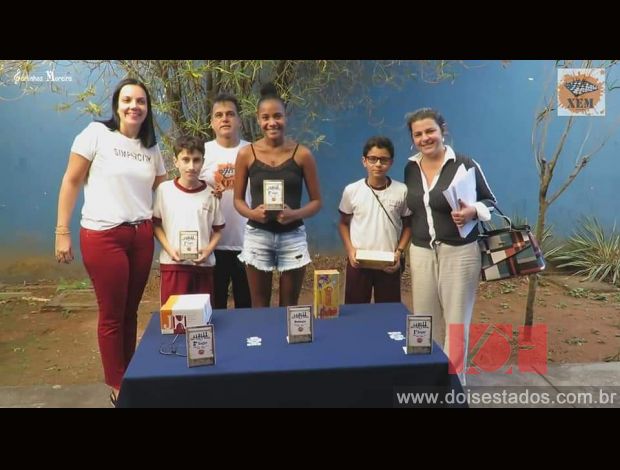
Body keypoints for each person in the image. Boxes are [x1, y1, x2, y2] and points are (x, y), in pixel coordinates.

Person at [54, 78, 167, 406]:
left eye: (141, 101)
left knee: (131, 312)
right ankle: (117, 385)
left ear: (147, 108)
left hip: (141, 236)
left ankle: (129, 374)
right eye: (127, 100)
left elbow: (163, 188)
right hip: (104, 236)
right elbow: (71, 180)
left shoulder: (151, 147)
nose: (134, 106)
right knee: (112, 314)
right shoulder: (96, 134)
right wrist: (62, 231)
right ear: (117, 104)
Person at [404, 107, 496, 384]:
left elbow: (490, 201)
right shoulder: (411, 167)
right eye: (418, 134)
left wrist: (472, 211)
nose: (425, 138)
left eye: (430, 131)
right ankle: (426, 380)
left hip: (459, 252)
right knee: (424, 319)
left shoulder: (464, 164)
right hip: (421, 252)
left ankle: (454, 386)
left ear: (442, 130)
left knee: (456, 322)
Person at [234, 83, 322, 307]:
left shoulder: (302, 154)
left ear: (286, 117)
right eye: (265, 117)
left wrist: (294, 214)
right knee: (259, 305)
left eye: (277, 116)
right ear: (258, 119)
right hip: (258, 236)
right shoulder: (246, 154)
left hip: (292, 236)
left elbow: (316, 202)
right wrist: (253, 214)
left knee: (289, 305)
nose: (272, 122)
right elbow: (238, 200)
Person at [338, 136, 412, 304]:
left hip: (389, 262)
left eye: (383, 159)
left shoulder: (401, 191)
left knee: (388, 310)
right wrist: (350, 250)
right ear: (364, 161)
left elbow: (408, 226)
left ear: (391, 162)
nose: (378, 164)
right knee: (356, 309)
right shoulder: (352, 190)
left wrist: (399, 252)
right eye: (373, 159)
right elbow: (343, 223)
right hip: (359, 261)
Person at [154, 135, 225, 306]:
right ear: (176, 161)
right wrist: (170, 250)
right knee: (174, 317)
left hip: (203, 267)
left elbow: (218, 230)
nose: (191, 166)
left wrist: (207, 251)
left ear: (203, 162)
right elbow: (156, 225)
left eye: (196, 160)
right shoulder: (164, 190)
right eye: (185, 160)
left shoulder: (211, 193)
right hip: (173, 266)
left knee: (202, 317)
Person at [199, 93, 251, 309]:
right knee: (216, 306)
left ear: (239, 120)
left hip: (247, 241)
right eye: (219, 115)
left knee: (246, 306)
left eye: (230, 114)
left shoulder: (253, 151)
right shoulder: (201, 152)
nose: (225, 119)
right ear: (211, 122)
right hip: (213, 243)